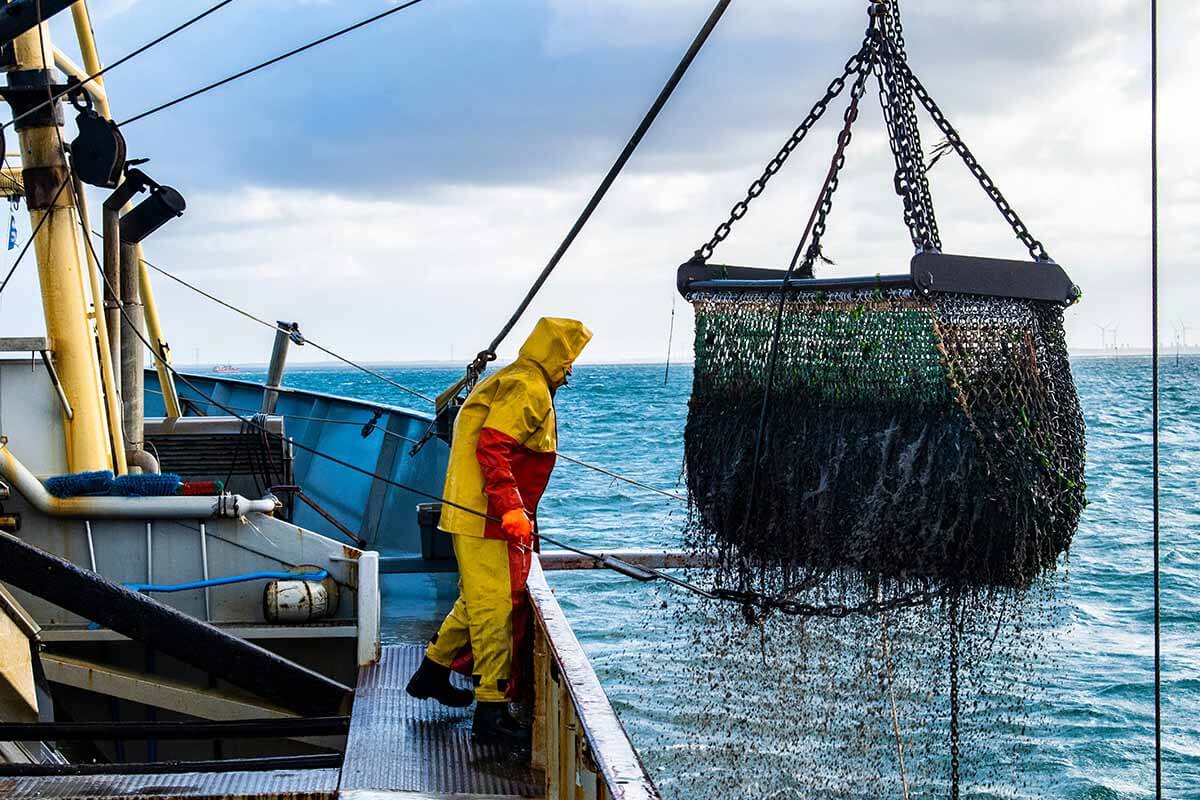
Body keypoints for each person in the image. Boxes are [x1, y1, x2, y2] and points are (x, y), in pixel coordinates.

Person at [406, 317, 592, 746]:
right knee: (496, 610)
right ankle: (491, 712)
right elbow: (492, 446)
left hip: (472, 511)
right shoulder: (528, 387)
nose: (569, 372)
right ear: (556, 357)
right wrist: (510, 508)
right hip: (486, 517)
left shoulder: (514, 377)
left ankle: (432, 672)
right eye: (568, 362)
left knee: (476, 601)